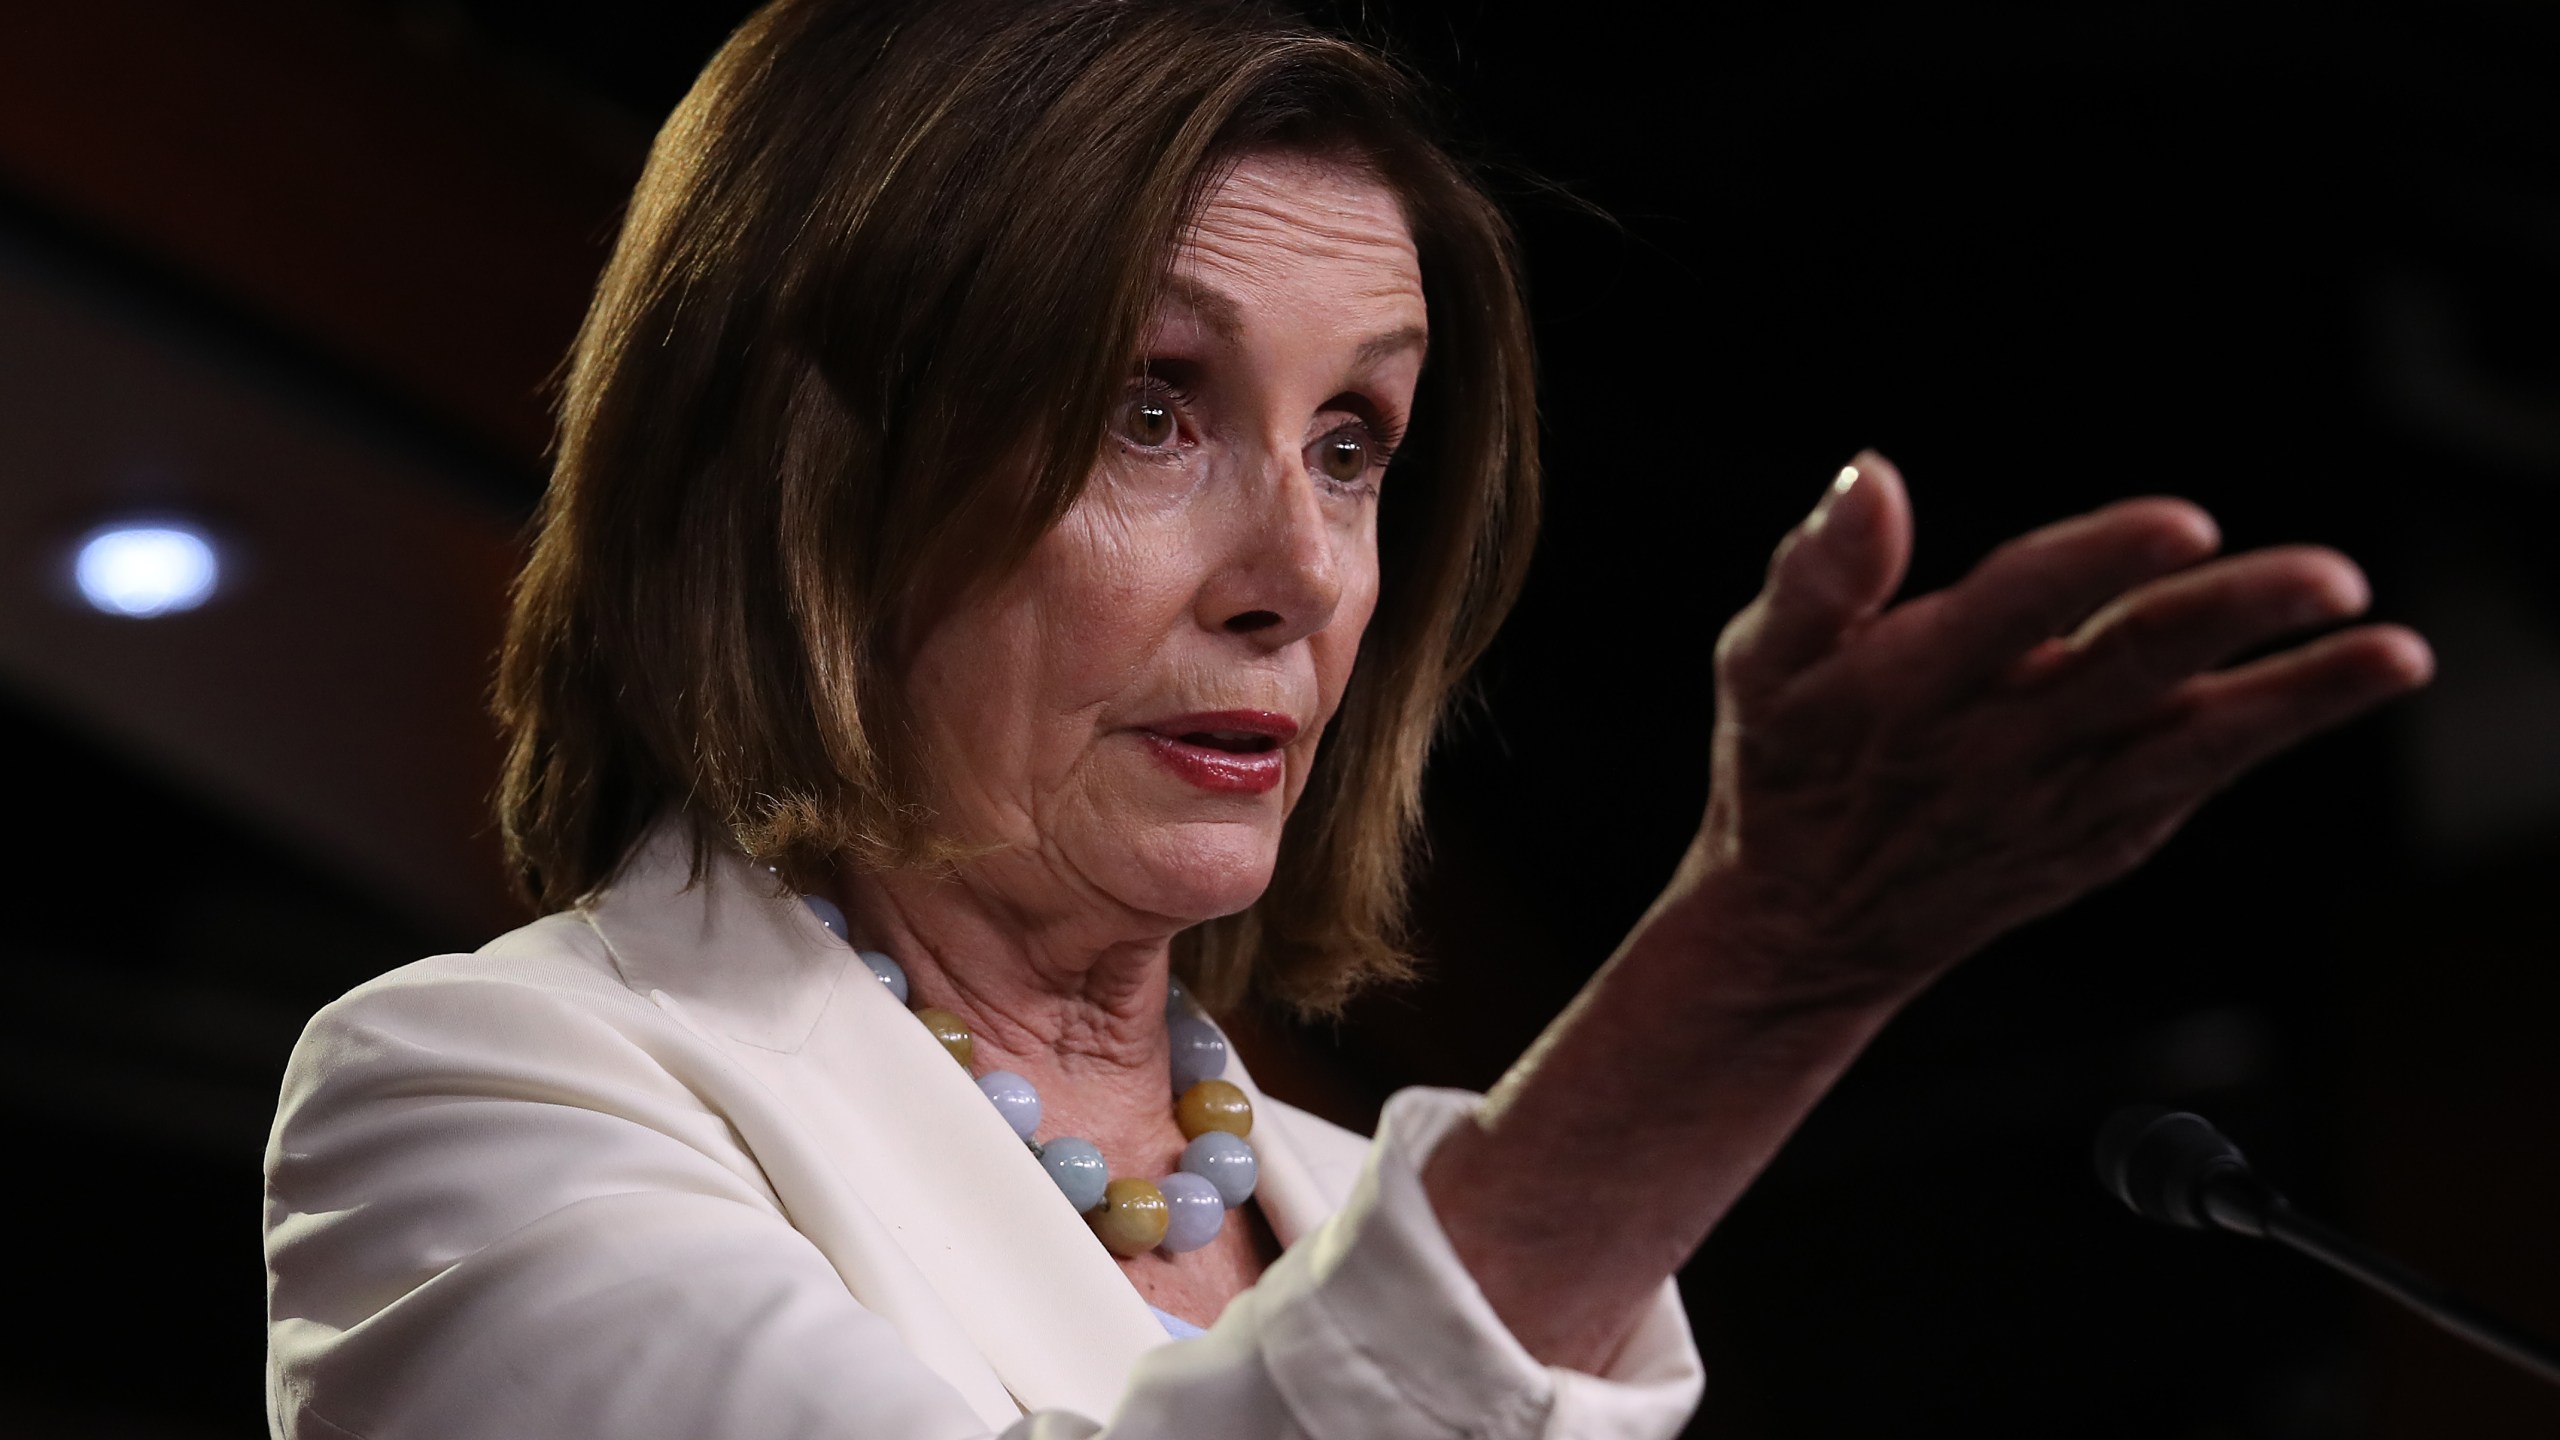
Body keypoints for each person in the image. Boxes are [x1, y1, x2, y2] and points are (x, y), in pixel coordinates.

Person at [259, 0, 2434, 1435]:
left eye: (1352, 443)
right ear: (805, 478)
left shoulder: (1342, 1186)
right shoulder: (484, 1100)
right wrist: (1757, 975)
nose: (1297, 574)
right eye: (1146, 408)